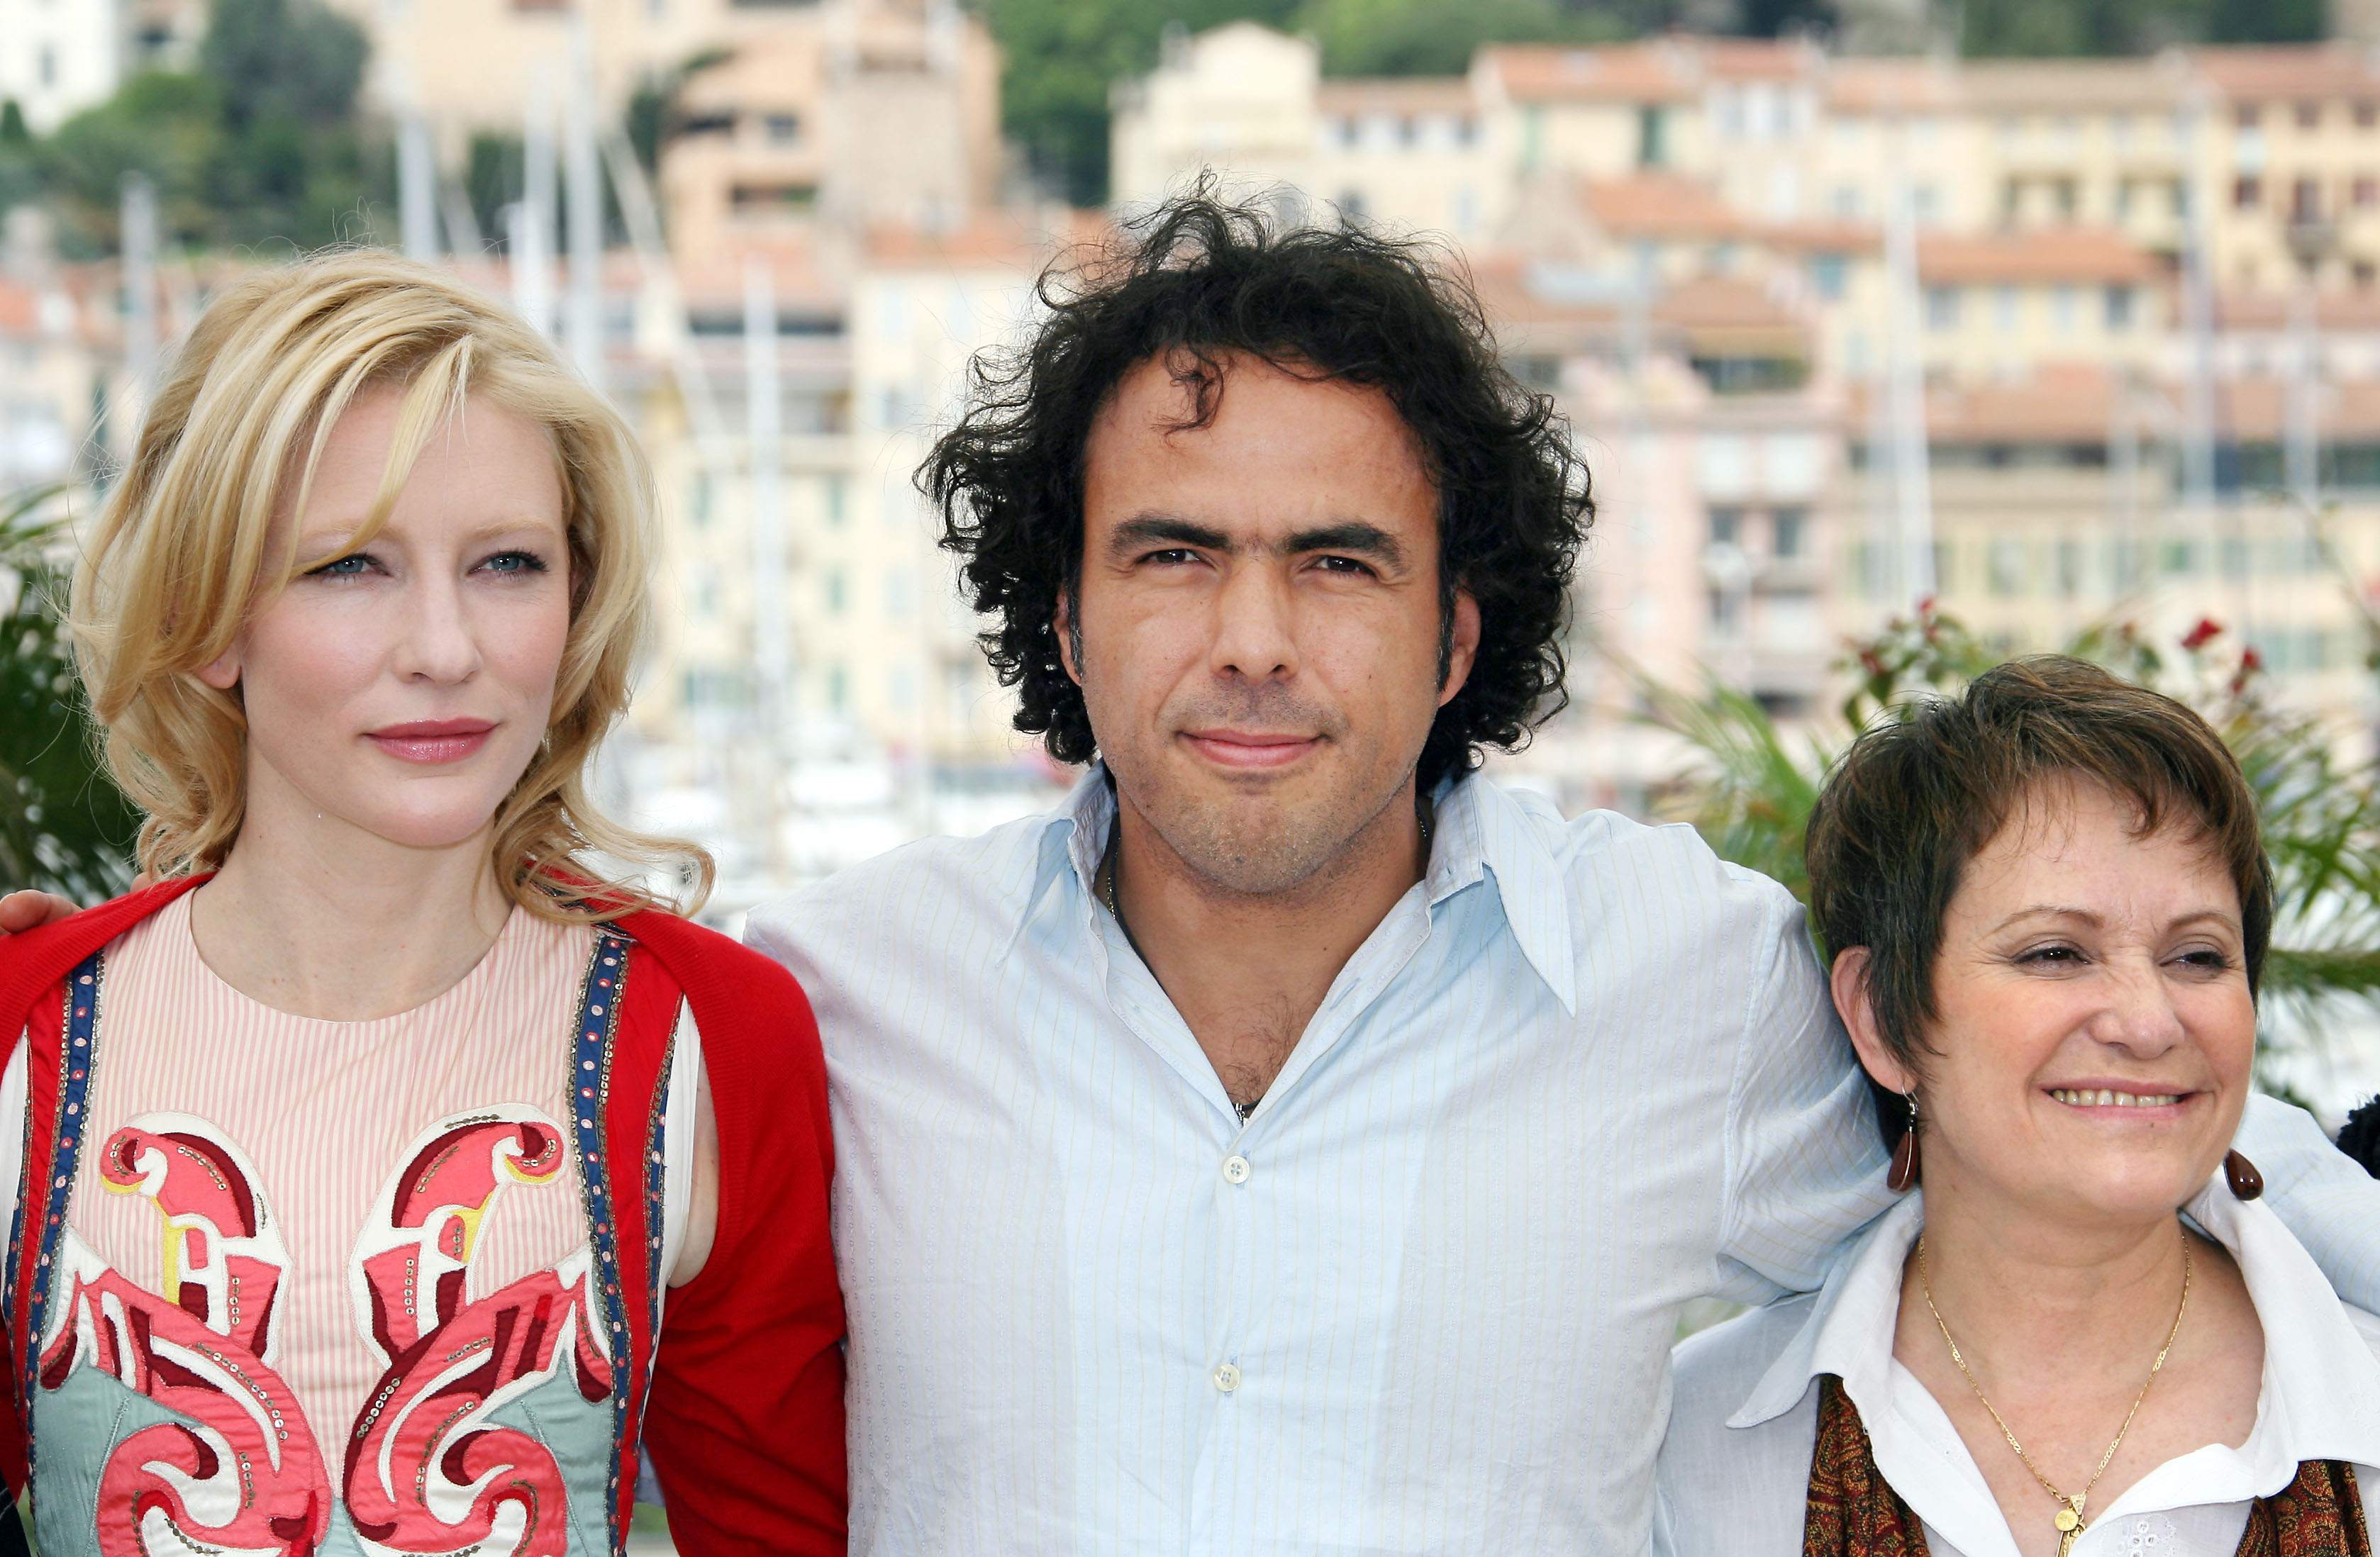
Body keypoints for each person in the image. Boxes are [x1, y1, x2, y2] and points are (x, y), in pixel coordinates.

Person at [735, 194, 2380, 1551]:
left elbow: (2064, 1106)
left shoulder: (1689, 980)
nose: (1252, 642)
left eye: (1336, 563)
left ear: (1457, 636)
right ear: (1067, 617)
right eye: (1174, 553)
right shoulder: (834, 1000)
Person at [0, 255, 845, 1555]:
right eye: (351, 567)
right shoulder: (23, 1028)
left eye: (508, 563)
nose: (447, 650)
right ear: (209, 620)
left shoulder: (713, 1037)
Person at [1657, 657, 2380, 1557]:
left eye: (2196, 957)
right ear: (1880, 1017)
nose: (2147, 1023)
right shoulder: (1690, 1450)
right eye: (2053, 954)